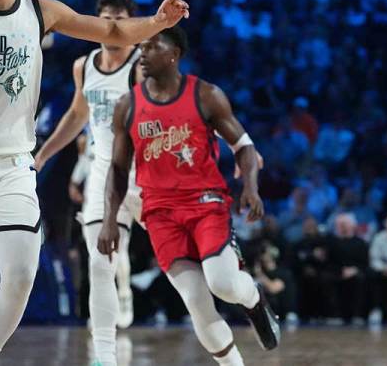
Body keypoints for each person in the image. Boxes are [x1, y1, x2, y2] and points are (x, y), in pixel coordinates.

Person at [0, 0, 188, 365]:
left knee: (19, 276)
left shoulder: (41, 11)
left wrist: (156, 21)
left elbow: (112, 31)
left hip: (10, 166)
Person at [97, 27, 280, 365]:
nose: (142, 53)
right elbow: (118, 171)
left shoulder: (206, 95)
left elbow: (245, 146)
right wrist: (109, 220)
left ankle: (255, 299)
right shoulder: (127, 105)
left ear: (173, 54)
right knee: (196, 300)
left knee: (223, 283)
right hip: (159, 214)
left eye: (152, 46)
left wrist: (251, 188)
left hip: (205, 203)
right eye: (141, 46)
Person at [33, 0, 142, 366]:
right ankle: (105, 355)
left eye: (120, 19)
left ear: (132, 24)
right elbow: (77, 116)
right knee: (100, 260)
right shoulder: (84, 65)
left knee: (184, 266)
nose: (112, 26)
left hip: (146, 172)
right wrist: (43, 155)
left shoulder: (145, 64)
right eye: (106, 19)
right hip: (103, 170)